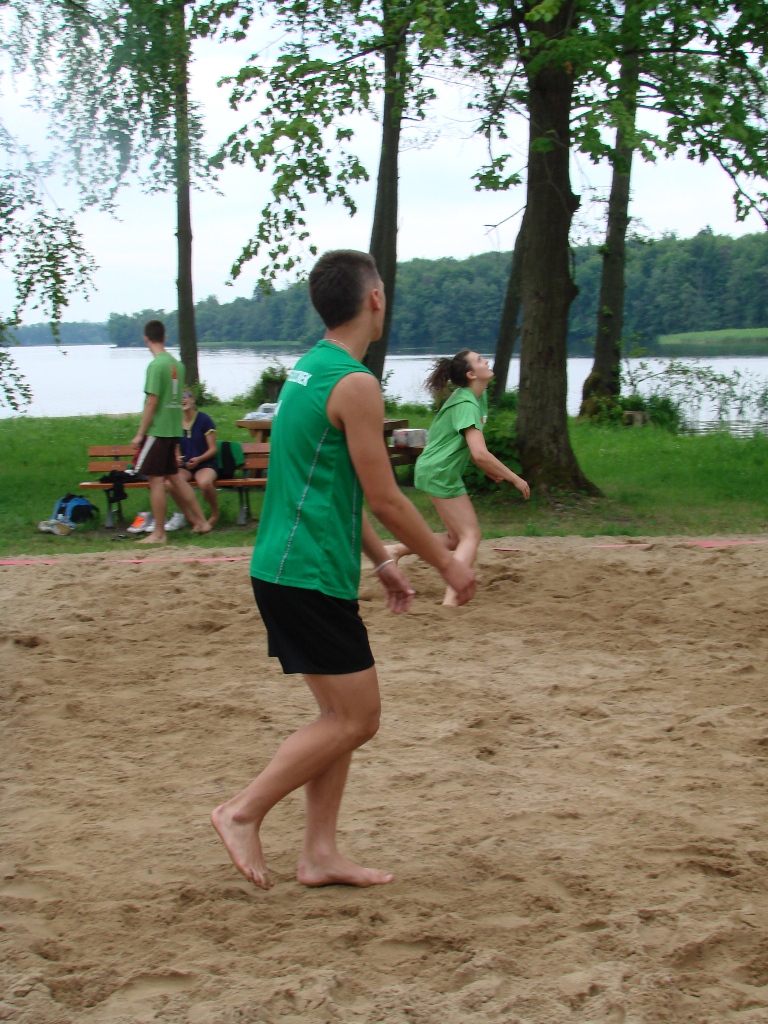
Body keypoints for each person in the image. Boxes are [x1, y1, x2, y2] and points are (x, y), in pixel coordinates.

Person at [211, 250, 476, 891]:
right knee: (358, 718)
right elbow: (386, 497)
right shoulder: (355, 384)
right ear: (375, 298)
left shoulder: (310, 369)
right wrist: (447, 561)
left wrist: (382, 561)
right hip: (302, 573)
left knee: (338, 719)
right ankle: (241, 812)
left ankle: (320, 854)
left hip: (294, 568)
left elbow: (333, 488)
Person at [387, 350, 530, 606]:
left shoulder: (476, 397)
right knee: (470, 536)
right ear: (471, 374)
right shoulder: (466, 403)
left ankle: (396, 550)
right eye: (480, 360)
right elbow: (480, 452)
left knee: (457, 539)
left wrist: (488, 468)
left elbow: (470, 448)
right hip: (440, 471)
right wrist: (514, 478)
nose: (486, 361)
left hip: (438, 469)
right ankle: (452, 599)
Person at [130, 320, 212, 544]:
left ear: (146, 338)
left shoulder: (156, 366)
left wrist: (140, 433)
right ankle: (202, 521)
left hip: (158, 431)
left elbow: (152, 401)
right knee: (175, 477)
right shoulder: (178, 365)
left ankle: (159, 533)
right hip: (173, 430)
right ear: (164, 337)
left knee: (155, 481)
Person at [165, 389, 220, 530]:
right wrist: (177, 457)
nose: (183, 400)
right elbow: (176, 447)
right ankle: (191, 518)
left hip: (205, 463)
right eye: (179, 398)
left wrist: (199, 459)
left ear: (192, 399)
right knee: (170, 483)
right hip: (186, 465)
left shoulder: (204, 420)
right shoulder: (176, 422)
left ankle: (215, 513)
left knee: (205, 483)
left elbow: (213, 449)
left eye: (185, 396)